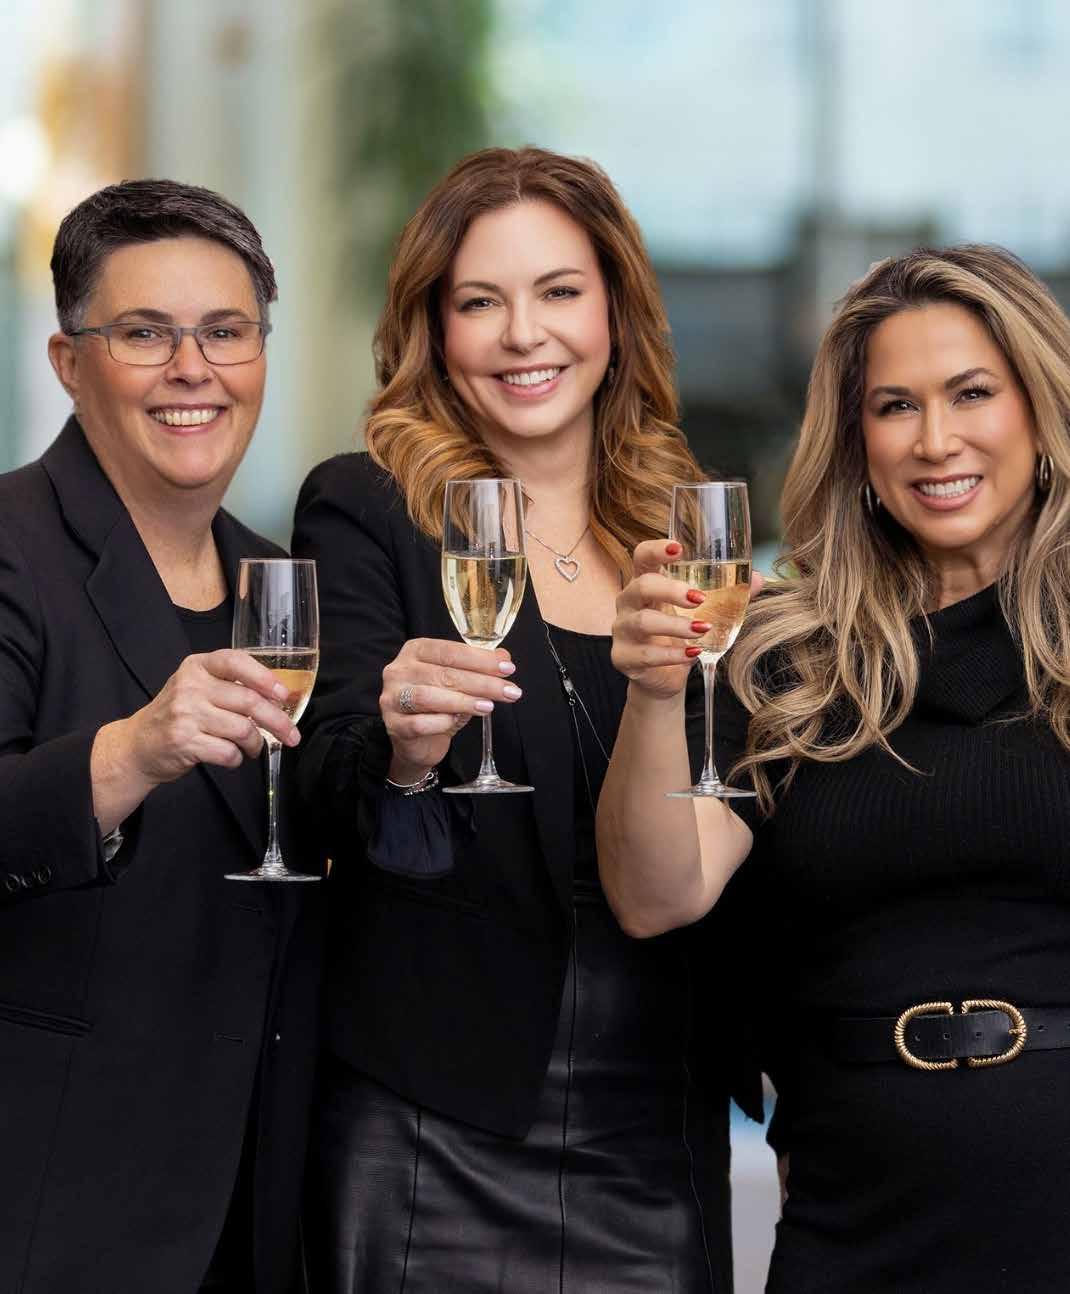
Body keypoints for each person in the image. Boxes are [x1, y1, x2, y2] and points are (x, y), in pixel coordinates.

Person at [292, 146, 761, 1293]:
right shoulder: (368, 504)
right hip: (429, 1118)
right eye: (478, 302)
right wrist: (406, 752)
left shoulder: (682, 533)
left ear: (614, 311)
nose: (522, 335)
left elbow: (733, 809)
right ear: (431, 329)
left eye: (557, 291)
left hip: (654, 1115)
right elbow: (326, 781)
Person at [598, 243, 1070, 1293]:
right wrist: (653, 694)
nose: (934, 440)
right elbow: (654, 893)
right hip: (853, 1223)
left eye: (972, 393)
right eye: (895, 406)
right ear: (855, 443)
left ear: (1039, 411)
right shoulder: (786, 656)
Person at [0, 179, 321, 1294]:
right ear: (67, 361)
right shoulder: (10, 546)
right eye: (145, 333)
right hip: (53, 1203)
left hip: (253, 1203)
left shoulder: (278, 579)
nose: (194, 368)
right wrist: (133, 750)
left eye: (226, 332)